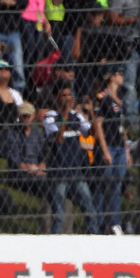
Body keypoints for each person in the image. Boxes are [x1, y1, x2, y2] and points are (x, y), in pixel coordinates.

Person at [45, 86, 100, 234]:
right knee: (59, 215)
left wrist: (91, 111)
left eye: (70, 95)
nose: (68, 98)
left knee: (90, 210)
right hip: (59, 173)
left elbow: (91, 132)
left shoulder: (77, 116)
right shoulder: (50, 116)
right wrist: (64, 114)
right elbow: (59, 139)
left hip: (76, 171)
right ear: (56, 97)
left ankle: (94, 239)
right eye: (64, 95)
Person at [93, 66, 128, 233]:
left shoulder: (119, 100)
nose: (122, 76)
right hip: (109, 146)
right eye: (119, 73)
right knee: (103, 184)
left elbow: (123, 127)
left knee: (116, 184)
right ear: (111, 77)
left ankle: (114, 222)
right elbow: (98, 124)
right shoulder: (102, 98)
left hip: (120, 146)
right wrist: (104, 149)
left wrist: (127, 149)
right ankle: (98, 222)